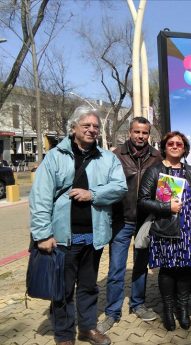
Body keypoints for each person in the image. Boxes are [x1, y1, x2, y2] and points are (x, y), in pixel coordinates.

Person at [29, 106, 127, 345]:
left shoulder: (107, 158)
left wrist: (92, 194)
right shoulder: (55, 157)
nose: (92, 130)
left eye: (95, 126)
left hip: (94, 236)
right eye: (86, 126)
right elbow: (40, 197)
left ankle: (87, 328)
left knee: (89, 286)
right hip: (63, 238)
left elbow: (120, 187)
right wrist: (42, 235)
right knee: (62, 290)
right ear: (73, 128)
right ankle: (63, 335)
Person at [97, 117, 162, 334]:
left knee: (141, 266)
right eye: (137, 132)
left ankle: (137, 304)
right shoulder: (116, 155)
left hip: (145, 221)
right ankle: (112, 312)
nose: (140, 136)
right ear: (130, 132)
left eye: (144, 133)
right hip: (121, 220)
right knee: (116, 268)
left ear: (149, 134)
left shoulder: (157, 157)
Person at [137, 131, 191, 331]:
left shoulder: (190, 172)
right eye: (171, 144)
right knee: (167, 270)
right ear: (164, 147)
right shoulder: (155, 171)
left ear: (184, 148)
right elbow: (142, 201)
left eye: (179, 144)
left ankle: (183, 309)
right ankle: (168, 310)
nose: (175, 146)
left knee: (185, 269)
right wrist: (167, 207)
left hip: (188, 229)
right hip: (165, 229)